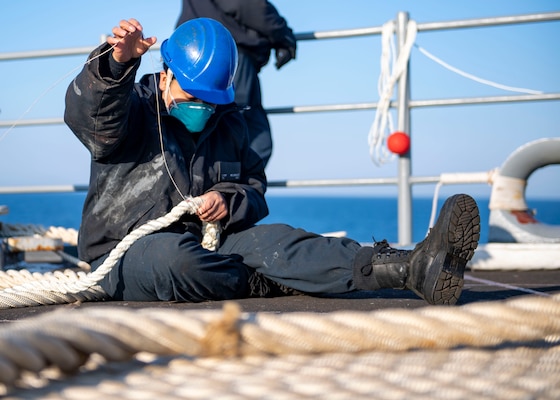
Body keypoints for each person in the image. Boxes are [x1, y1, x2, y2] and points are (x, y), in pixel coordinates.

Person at [64, 18, 480, 306]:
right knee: (176, 260)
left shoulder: (231, 123)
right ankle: (267, 280)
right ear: (166, 73)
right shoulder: (130, 107)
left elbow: (254, 189)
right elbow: (92, 117)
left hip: (215, 243)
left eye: (212, 101)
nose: (204, 108)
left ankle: (412, 267)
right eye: (194, 98)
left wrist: (229, 200)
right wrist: (116, 64)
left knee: (284, 242)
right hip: (125, 252)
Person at [176, 0, 297, 167]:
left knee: (213, 133)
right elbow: (246, 5)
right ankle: (230, 190)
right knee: (249, 137)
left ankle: (221, 189)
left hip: (195, 50)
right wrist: (282, 34)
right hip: (226, 53)